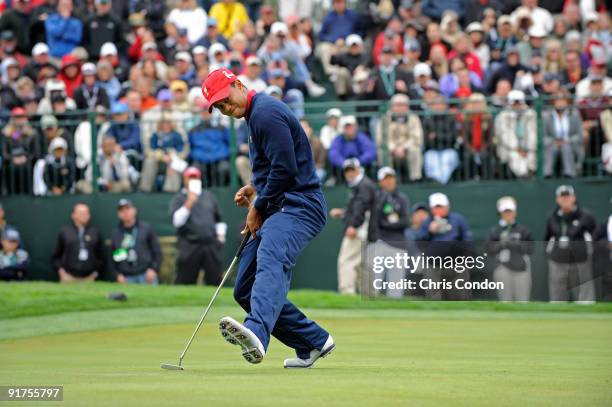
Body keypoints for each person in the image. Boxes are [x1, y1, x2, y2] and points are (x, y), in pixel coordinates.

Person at [203, 67, 334, 368]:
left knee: (271, 255)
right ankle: (312, 341)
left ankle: (257, 333)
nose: (226, 108)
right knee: (245, 288)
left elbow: (286, 170)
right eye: (220, 107)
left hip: (301, 205)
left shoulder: (265, 113)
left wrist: (258, 205)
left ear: (238, 83)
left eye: (226, 100)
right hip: (279, 204)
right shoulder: (253, 117)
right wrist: (254, 188)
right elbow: (276, 167)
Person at [329, 158, 377, 295]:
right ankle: (370, 295)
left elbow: (362, 208)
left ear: (358, 169)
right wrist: (343, 212)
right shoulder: (362, 185)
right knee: (362, 264)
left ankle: (347, 293)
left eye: (352, 170)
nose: (349, 173)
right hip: (364, 230)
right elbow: (360, 207)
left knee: (346, 260)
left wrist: (354, 225)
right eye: (347, 171)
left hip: (358, 230)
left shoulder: (364, 185)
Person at [169, 167, 225, 285]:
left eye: (195, 177)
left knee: (214, 282)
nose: (193, 180)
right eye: (190, 177)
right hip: (189, 245)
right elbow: (177, 222)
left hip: (210, 245)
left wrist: (220, 236)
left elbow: (219, 219)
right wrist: (189, 202)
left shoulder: (209, 197)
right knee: (185, 283)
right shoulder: (179, 198)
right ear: (184, 179)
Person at [544, 185, 597, 303]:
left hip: (580, 260)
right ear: (557, 199)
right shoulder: (552, 217)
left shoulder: (585, 216)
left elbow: (595, 236)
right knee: (557, 297)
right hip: (558, 261)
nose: (565, 200)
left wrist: (588, 252)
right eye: (562, 197)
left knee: (583, 296)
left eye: (567, 197)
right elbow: (547, 239)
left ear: (573, 198)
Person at [415, 193, 473, 300]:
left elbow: (467, 240)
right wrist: (430, 231)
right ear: (431, 208)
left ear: (447, 206)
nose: (438, 210)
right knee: (434, 296)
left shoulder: (457, 219)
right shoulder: (427, 222)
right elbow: (419, 241)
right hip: (433, 265)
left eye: (441, 207)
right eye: (436, 207)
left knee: (459, 296)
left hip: (455, 264)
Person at [371, 167, 410, 298]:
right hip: (380, 243)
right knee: (372, 288)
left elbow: (405, 221)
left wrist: (386, 224)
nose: (389, 181)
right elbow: (375, 220)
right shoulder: (375, 198)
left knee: (395, 290)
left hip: (399, 245)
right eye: (385, 179)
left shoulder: (402, 198)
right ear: (380, 181)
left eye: (391, 178)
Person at [487, 196, 534, 301]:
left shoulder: (523, 230)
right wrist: (502, 244)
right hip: (502, 267)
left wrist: (515, 243)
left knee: (522, 300)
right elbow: (490, 249)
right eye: (505, 211)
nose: (508, 214)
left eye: (510, 211)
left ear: (515, 212)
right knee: (505, 300)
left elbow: (530, 249)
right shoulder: (495, 230)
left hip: (521, 268)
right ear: (500, 213)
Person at [111, 199, 162, 284]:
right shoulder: (116, 234)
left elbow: (156, 251)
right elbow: (113, 258)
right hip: (126, 277)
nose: (125, 212)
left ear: (134, 210)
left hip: (146, 275)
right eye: (121, 210)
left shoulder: (146, 228)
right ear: (118, 214)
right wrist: (117, 275)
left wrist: (154, 269)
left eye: (127, 209)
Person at [376, 93, 423, 183]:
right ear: (391, 106)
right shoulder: (385, 118)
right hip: (391, 149)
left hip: (406, 149)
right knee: (382, 152)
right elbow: (381, 138)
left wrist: (404, 147)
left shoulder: (414, 118)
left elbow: (417, 137)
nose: (400, 108)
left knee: (415, 150)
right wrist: (393, 148)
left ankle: (415, 179)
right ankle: (387, 179)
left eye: (403, 105)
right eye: (397, 105)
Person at [52, 203, 103, 282]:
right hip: (68, 277)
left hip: (89, 278)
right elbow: (55, 256)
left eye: (86, 213)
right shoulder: (65, 232)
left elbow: (101, 256)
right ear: (73, 215)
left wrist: (95, 274)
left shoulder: (95, 232)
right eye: (81, 213)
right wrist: (61, 272)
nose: (84, 215)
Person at [494, 90, 537, 178]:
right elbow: (505, 136)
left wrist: (526, 148)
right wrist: (517, 149)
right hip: (509, 149)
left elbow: (533, 134)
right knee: (514, 156)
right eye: (514, 103)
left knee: (532, 156)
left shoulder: (531, 114)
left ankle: (530, 176)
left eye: (519, 103)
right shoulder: (502, 116)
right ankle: (524, 177)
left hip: (528, 148)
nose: (517, 106)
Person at [542, 89, 583, 178]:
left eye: (563, 100)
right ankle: (547, 174)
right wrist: (553, 141)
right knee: (552, 148)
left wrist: (568, 141)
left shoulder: (575, 114)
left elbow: (579, 135)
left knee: (565, 148)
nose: (560, 103)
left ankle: (569, 174)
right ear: (553, 102)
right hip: (552, 144)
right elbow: (543, 136)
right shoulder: (546, 116)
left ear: (567, 102)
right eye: (557, 100)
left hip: (570, 145)